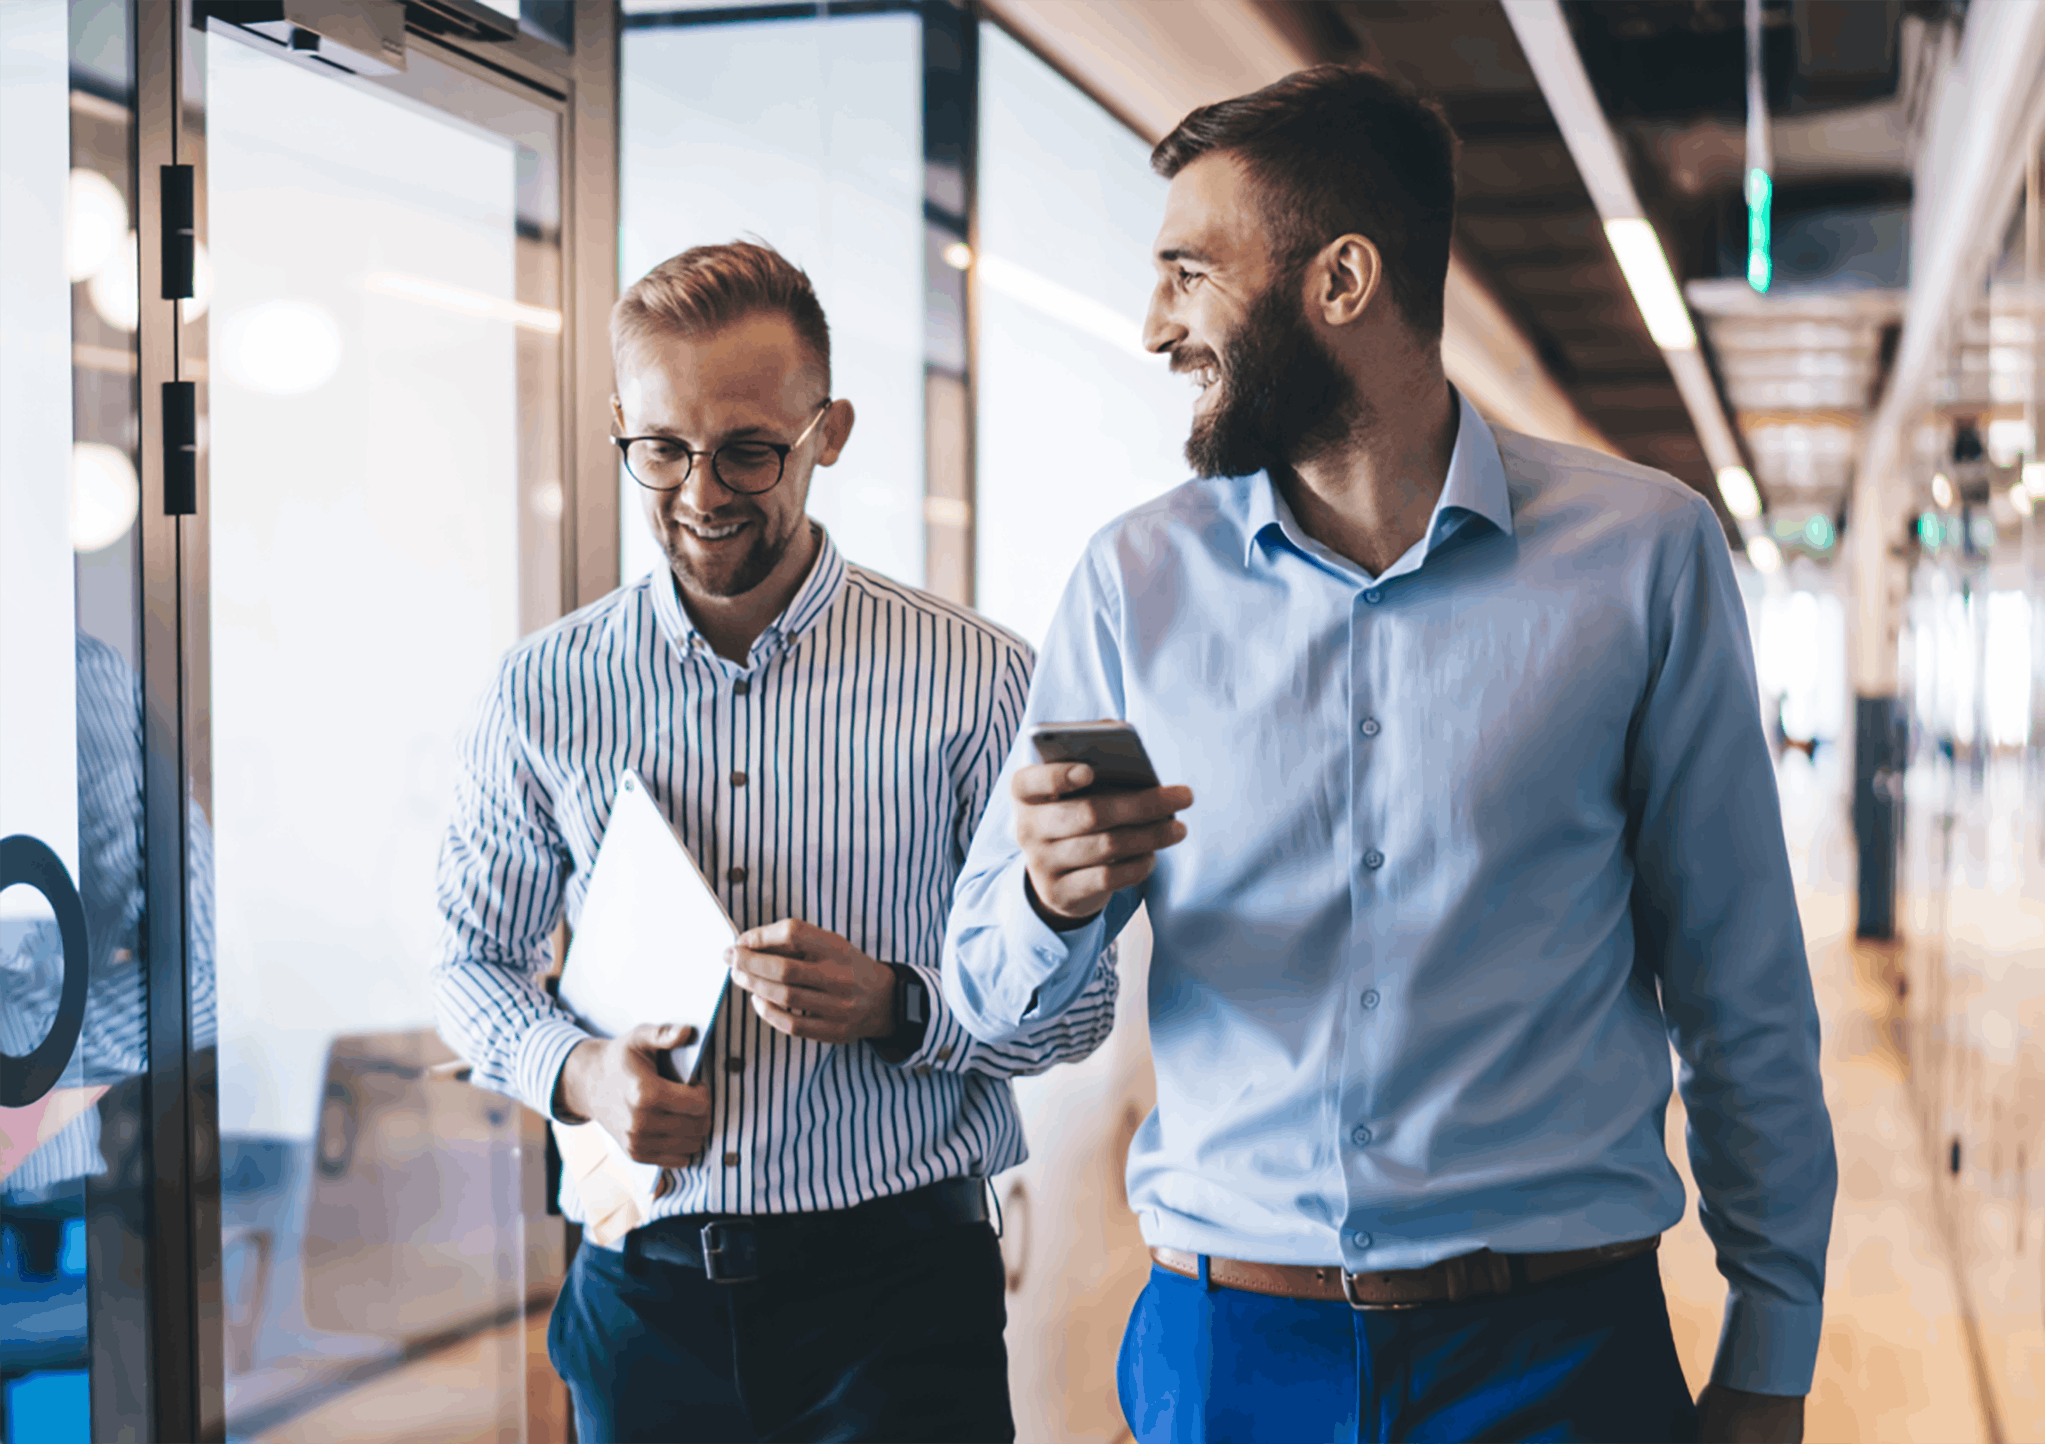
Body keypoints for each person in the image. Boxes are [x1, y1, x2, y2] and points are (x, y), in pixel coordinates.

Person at [942, 67, 1836, 1444]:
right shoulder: (1133, 582)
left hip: (1558, 1360)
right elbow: (992, 1006)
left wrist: (1770, 1355)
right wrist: (1050, 899)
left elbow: (1742, 992)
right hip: (1229, 1352)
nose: (1153, 324)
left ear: (1341, 280)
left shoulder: (1644, 557)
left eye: (1190, 272)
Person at [434, 241, 1117, 1444]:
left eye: (749, 448)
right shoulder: (542, 689)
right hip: (643, 1303)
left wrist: (902, 1005)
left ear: (828, 430)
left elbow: (1079, 1007)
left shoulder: (976, 681)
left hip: (902, 1304)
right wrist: (582, 1072)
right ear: (622, 426)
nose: (701, 492)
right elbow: (467, 962)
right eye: (662, 448)